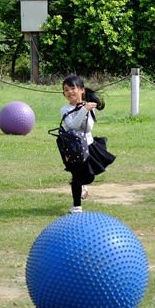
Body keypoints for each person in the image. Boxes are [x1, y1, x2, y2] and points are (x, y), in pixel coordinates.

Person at [60, 75, 115, 213]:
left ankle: (81, 185)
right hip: (73, 149)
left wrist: (86, 109)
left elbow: (88, 128)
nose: (70, 92)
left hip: (89, 146)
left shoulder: (89, 106)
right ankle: (77, 207)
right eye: (66, 90)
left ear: (82, 90)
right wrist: (83, 110)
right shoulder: (65, 110)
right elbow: (72, 126)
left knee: (89, 177)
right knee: (78, 176)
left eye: (73, 88)